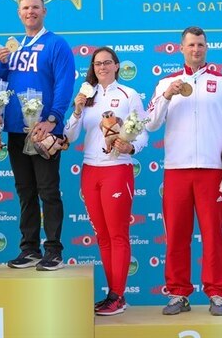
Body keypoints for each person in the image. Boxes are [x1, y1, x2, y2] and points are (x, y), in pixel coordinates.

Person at [146, 26, 222, 316]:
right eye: (191, 44)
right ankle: (178, 293)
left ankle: (217, 293)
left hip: (212, 171)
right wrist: (167, 95)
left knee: (213, 234)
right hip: (177, 170)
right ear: (180, 48)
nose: (196, 49)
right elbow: (151, 123)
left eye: (201, 45)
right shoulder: (165, 83)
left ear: (207, 48)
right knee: (177, 235)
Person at [64, 47, 148, 316]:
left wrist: (131, 149)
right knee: (103, 236)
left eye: (107, 63)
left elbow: (142, 132)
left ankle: (118, 295)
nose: (102, 67)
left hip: (117, 169)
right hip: (90, 170)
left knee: (117, 234)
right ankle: (112, 294)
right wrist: (77, 110)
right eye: (97, 64)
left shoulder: (129, 95)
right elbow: (70, 135)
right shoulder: (87, 95)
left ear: (116, 66)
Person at [0, 0, 75, 271]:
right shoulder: (13, 47)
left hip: (43, 130)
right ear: (19, 13)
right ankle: (29, 248)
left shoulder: (56, 44)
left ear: (44, 11)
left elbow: (65, 84)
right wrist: (1, 65)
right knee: (25, 190)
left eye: (35, 8)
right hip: (17, 130)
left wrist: (53, 118)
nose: (30, 12)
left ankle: (53, 250)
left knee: (48, 190)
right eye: (25, 8)